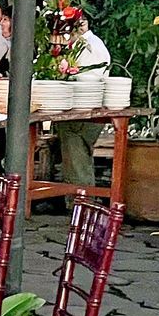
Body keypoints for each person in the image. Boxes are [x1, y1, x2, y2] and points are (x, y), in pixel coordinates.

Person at [56, 15, 113, 187]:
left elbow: (87, 80)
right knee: (76, 157)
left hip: (85, 108)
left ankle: (81, 202)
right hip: (82, 107)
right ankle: (79, 201)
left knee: (77, 157)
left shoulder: (90, 46)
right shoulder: (84, 44)